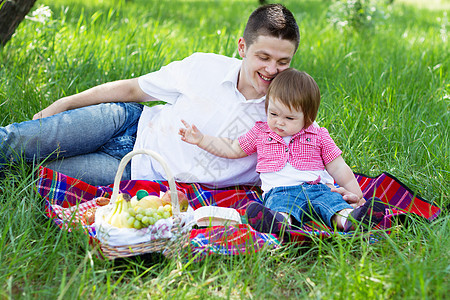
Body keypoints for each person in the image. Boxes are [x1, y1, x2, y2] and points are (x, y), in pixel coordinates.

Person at [0, 4, 360, 205]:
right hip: (126, 123)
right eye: (263, 57)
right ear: (242, 47)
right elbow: (131, 90)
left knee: (33, 171)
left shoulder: (286, 114)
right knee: (14, 142)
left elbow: (308, 162)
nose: (271, 70)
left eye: (283, 62)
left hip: (135, 171)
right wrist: (66, 102)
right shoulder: (203, 66)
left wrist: (339, 189)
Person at [179, 68, 386, 234]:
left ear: (308, 118)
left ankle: (352, 219)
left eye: (289, 118)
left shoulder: (318, 135)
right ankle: (277, 224)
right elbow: (233, 148)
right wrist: (201, 139)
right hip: (280, 191)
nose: (279, 122)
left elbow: (339, 167)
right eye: (274, 113)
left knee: (333, 205)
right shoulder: (261, 132)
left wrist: (357, 195)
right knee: (281, 208)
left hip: (318, 188)